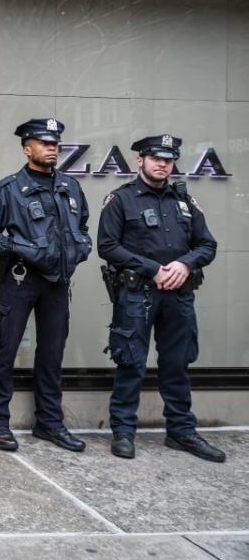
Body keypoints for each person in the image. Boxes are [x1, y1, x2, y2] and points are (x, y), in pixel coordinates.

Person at [97, 134, 224, 462]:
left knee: (177, 364)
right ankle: (123, 431)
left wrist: (185, 263)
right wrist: (153, 269)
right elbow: (107, 246)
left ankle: (181, 432)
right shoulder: (121, 199)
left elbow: (207, 245)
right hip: (138, 295)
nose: (162, 164)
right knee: (131, 363)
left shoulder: (184, 200)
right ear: (140, 160)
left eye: (168, 160)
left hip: (179, 297)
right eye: (156, 158)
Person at [0, 118, 92, 453]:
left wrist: (81, 247)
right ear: (27, 149)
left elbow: (81, 225)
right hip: (21, 280)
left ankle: (49, 423)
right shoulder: (10, 188)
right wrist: (17, 249)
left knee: (52, 355)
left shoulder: (70, 187)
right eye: (44, 143)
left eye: (55, 143)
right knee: (5, 352)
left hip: (57, 283)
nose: (52, 148)